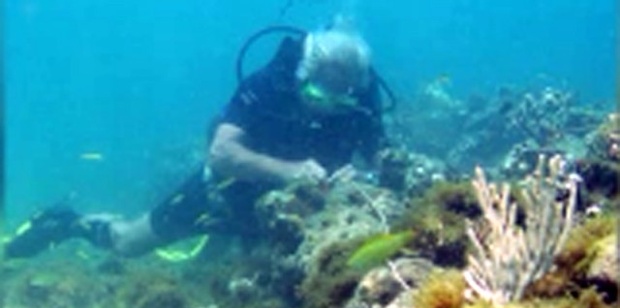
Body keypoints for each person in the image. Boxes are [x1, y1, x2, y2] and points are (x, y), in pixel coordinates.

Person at [4, 26, 388, 259]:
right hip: (221, 194)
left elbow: (381, 156)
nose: (327, 108)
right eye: (319, 95)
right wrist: (292, 172)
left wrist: (380, 171)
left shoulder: (362, 101)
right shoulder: (267, 85)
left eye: (341, 99)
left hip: (297, 215)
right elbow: (222, 153)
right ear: (303, 73)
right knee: (127, 243)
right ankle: (68, 223)